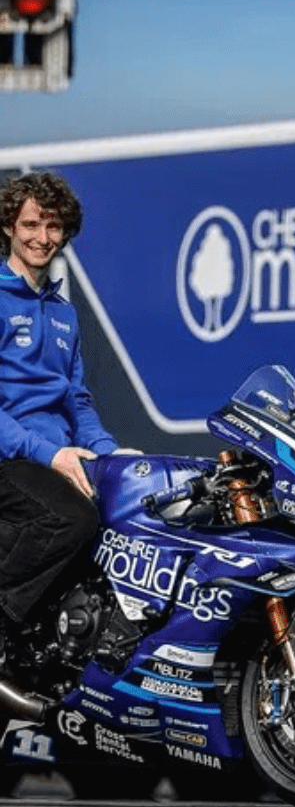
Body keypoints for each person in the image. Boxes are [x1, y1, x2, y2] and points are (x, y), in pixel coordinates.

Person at [0, 171, 128, 658]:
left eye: (53, 226)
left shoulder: (63, 313)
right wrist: (48, 454)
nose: (42, 237)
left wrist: (108, 454)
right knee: (73, 520)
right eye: (31, 224)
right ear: (11, 226)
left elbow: (77, 400)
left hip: (56, 457)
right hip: (13, 457)